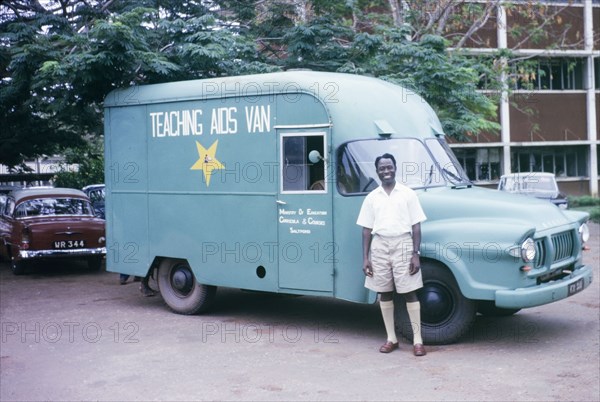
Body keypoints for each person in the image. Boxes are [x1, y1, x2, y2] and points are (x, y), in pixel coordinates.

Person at [356, 153, 427, 356]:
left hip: (403, 243)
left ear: (395, 168)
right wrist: (365, 258)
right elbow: (366, 230)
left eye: (389, 167)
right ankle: (391, 339)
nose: (386, 171)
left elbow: (416, 226)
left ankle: (417, 341)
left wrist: (415, 253)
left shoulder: (407, 194)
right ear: (377, 171)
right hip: (380, 245)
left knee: (409, 290)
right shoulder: (372, 197)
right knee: (384, 292)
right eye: (382, 168)